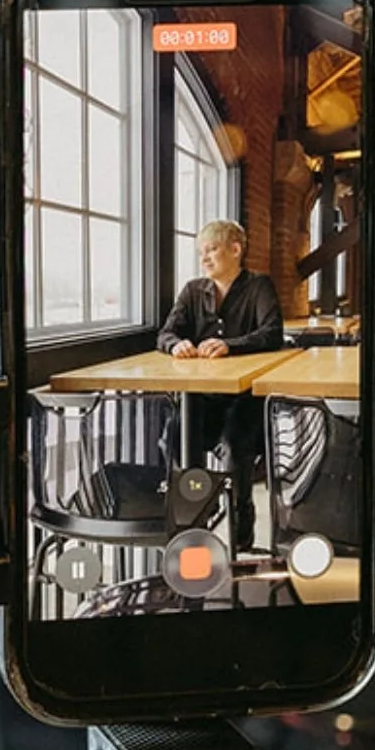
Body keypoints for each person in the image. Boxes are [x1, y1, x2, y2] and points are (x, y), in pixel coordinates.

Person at [157, 219, 284, 552]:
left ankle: (241, 539)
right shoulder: (192, 290)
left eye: (211, 249)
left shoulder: (259, 286)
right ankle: (193, 517)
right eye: (201, 252)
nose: (204, 259)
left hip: (246, 399)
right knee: (175, 435)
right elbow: (166, 333)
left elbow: (271, 334)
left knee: (234, 447)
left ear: (235, 249)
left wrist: (231, 344)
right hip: (202, 397)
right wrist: (175, 345)